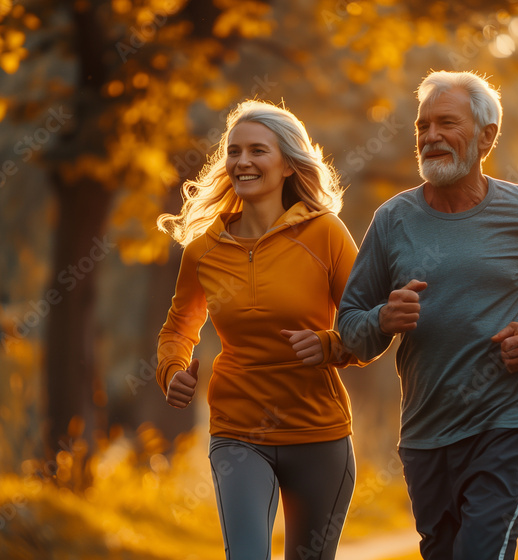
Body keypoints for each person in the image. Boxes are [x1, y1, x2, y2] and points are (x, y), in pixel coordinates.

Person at [337, 70, 518, 560]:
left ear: (486, 136)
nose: (431, 136)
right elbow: (350, 326)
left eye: (446, 123)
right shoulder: (392, 221)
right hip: (425, 434)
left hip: (507, 423)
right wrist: (382, 320)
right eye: (422, 126)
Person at [155, 99, 365, 560]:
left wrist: (330, 345)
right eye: (234, 151)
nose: (242, 162)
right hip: (238, 429)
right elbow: (178, 326)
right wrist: (172, 370)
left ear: (289, 163)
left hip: (318, 431)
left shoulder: (325, 234)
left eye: (257, 150)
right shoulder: (205, 248)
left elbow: (366, 323)